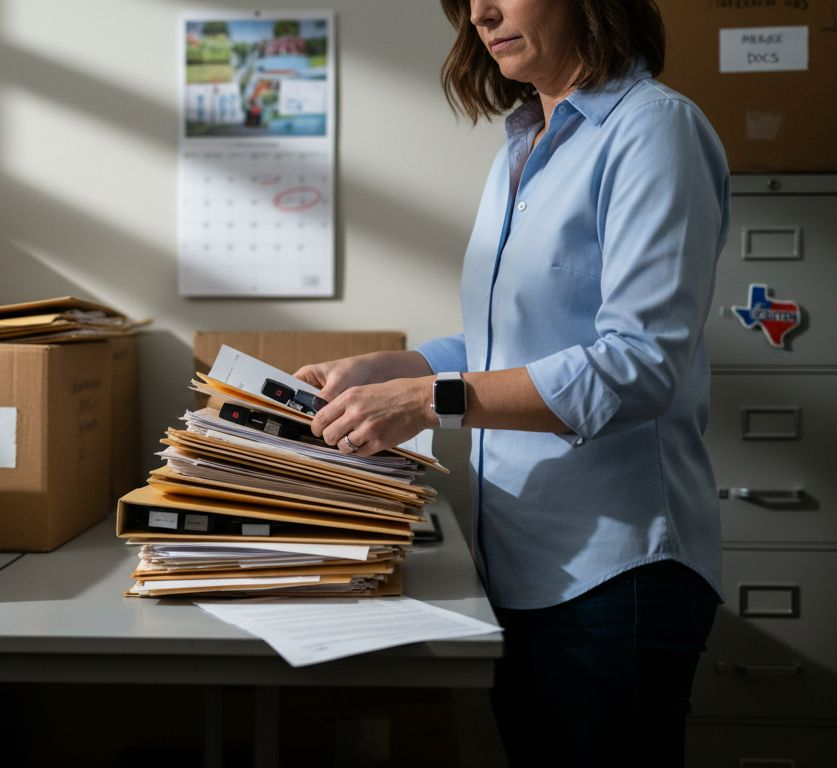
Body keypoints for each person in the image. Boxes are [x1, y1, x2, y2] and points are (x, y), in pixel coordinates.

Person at [294, 1, 728, 765]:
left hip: (617, 571)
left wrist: (429, 401)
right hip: (522, 564)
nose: (480, 11)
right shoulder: (524, 144)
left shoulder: (653, 129)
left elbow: (640, 363)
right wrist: (392, 369)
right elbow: (506, 341)